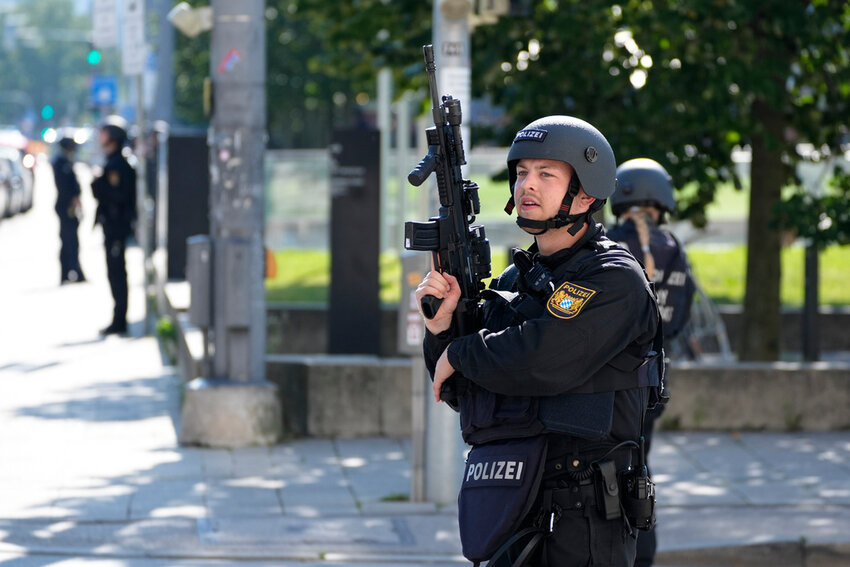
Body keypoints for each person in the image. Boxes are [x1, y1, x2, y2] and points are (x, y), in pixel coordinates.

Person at [416, 116, 663, 566]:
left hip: (584, 516)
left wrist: (461, 351)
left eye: (546, 174)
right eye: (522, 172)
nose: (527, 185)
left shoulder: (614, 279)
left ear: (586, 193)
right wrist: (442, 329)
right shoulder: (517, 280)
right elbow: (457, 390)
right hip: (512, 499)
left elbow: (544, 359)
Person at [606, 158, 696, 567]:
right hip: (652, 387)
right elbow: (679, 320)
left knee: (598, 475)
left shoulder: (606, 244)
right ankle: (643, 555)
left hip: (607, 386)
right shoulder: (674, 250)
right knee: (638, 469)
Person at [91, 118, 136, 335]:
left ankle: (120, 320)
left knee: (117, 273)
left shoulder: (118, 164)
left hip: (117, 226)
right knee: (113, 272)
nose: (101, 136)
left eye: (105, 133)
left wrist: (98, 185)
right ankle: (118, 318)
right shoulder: (112, 161)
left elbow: (118, 195)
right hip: (112, 225)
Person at [51, 137, 86, 284]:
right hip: (66, 206)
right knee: (68, 240)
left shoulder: (66, 161)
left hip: (69, 206)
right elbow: (65, 186)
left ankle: (72, 271)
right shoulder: (61, 162)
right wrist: (74, 199)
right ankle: (70, 271)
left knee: (71, 240)